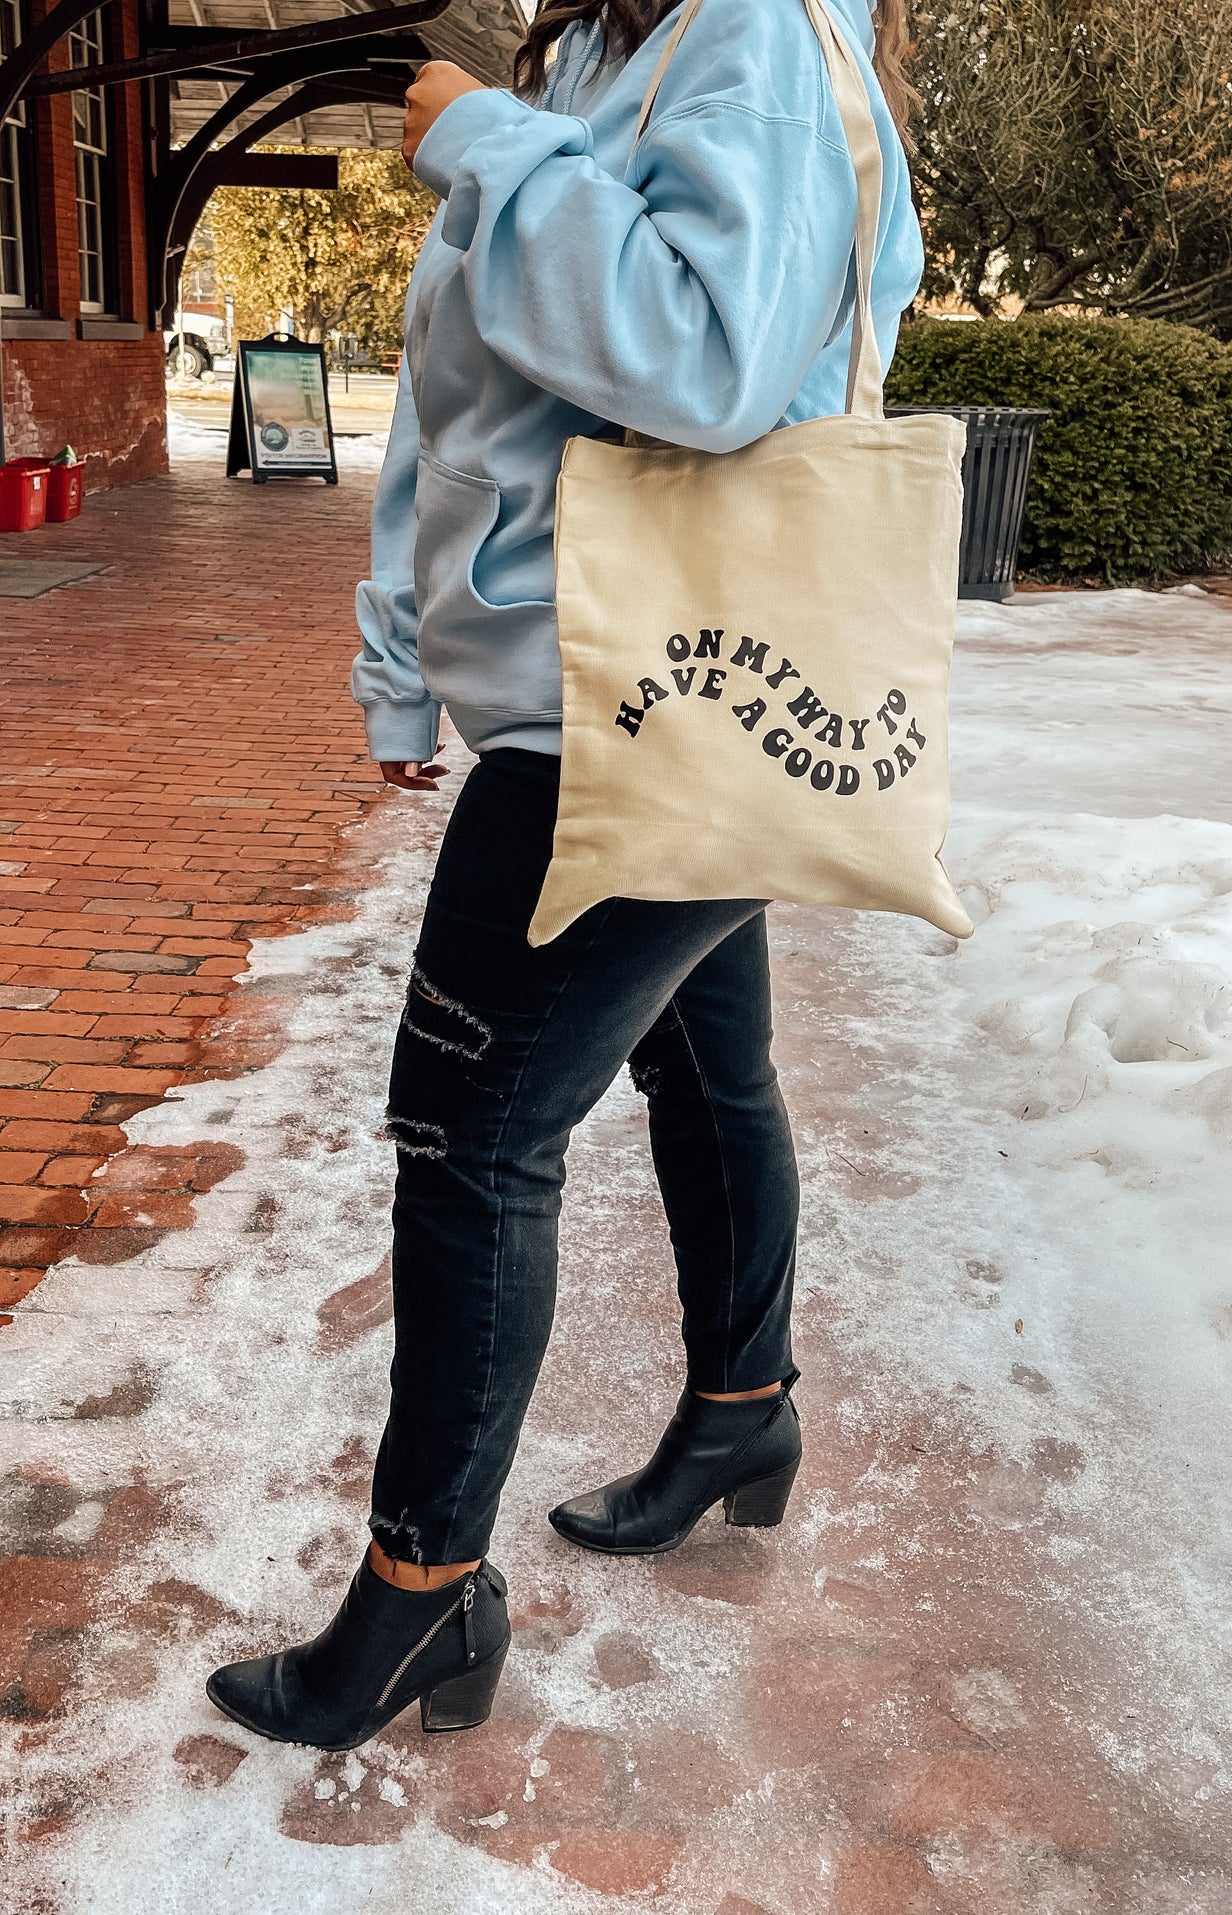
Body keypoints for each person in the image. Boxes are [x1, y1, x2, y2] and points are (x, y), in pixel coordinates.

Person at [206, 0, 924, 1752]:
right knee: (704, 1064)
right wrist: (402, 652)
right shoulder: (610, 57)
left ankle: (418, 1599)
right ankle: (742, 1407)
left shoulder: (746, 28)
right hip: (614, 682)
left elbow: (708, 363)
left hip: (636, 695)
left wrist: (483, 145)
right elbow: (472, 393)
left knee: (469, 1143)